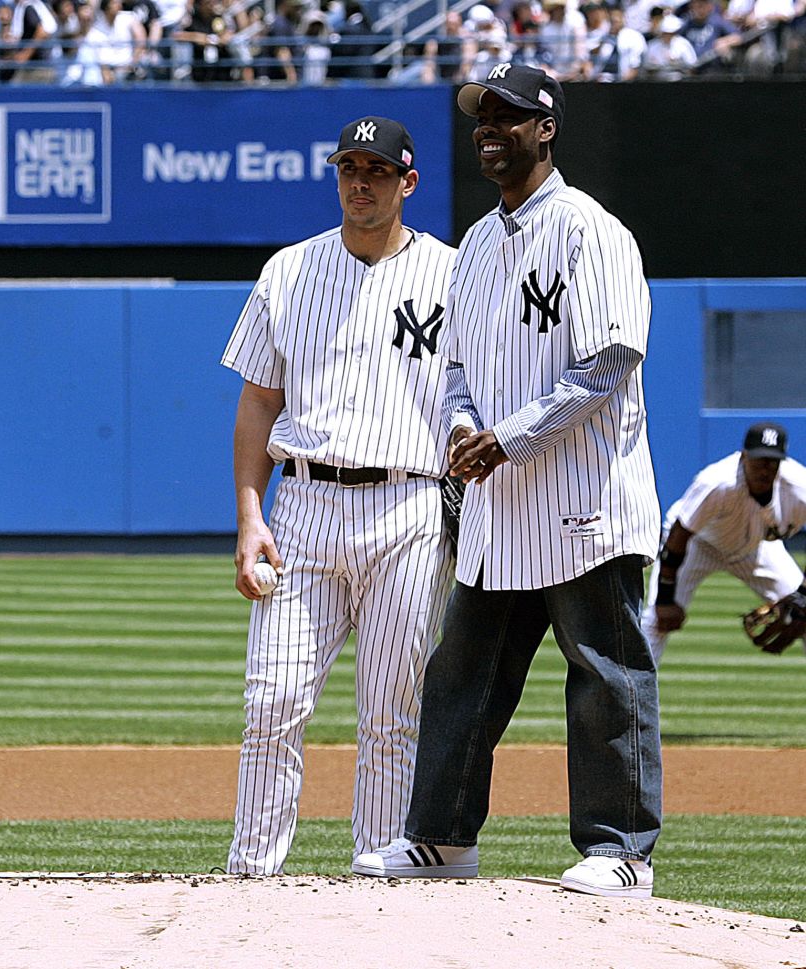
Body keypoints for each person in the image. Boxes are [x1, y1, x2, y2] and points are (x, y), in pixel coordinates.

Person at [353, 64, 664, 900]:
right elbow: (455, 367)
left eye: (509, 115)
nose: (490, 128)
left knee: (604, 669)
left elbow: (609, 361)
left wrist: (508, 438)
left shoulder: (589, 230)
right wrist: (461, 427)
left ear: (547, 127)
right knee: (462, 673)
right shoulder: (481, 242)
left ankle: (622, 849)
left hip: (579, 497)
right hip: (497, 503)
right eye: (481, 115)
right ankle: (442, 837)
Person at [222, 116, 456, 874]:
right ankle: (251, 876)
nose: (361, 181)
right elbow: (260, 400)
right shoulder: (289, 270)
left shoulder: (454, 275)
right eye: (350, 167)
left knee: (390, 717)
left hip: (410, 507)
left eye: (378, 170)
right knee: (271, 702)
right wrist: (250, 515)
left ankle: (379, 879)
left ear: (407, 183)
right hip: (306, 506)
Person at [645, 422, 806, 662]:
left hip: (755, 548)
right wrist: (666, 599)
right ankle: (631, 699)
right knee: (654, 622)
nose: (765, 469)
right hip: (697, 545)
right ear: (744, 456)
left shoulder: (798, 487)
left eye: (772, 462)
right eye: (760, 460)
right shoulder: (717, 482)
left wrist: (803, 595)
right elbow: (680, 534)